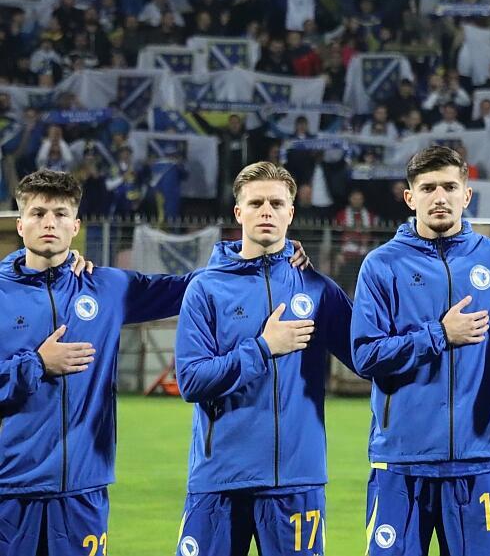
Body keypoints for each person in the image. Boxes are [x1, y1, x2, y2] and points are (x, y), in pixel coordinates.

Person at [0, 169, 308, 555]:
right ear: (20, 222)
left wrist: (275, 255)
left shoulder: (107, 286)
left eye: (61, 214)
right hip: (9, 488)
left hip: (83, 488)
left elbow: (198, 285)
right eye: (39, 213)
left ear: (76, 225)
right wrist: (37, 364)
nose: (50, 222)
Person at [351, 145, 490, 556]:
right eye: (428, 187)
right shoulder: (382, 265)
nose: (440, 197)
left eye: (450, 187)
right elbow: (364, 355)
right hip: (400, 460)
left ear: (466, 195)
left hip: (476, 461)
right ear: (409, 197)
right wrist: (438, 335)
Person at [174, 162, 352, 556]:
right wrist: (262, 348)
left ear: (291, 212)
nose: (266, 211)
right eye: (256, 203)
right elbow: (191, 381)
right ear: (239, 213)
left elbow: (371, 356)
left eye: (276, 202)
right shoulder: (205, 288)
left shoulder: (319, 289)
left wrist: (438, 332)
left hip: (296, 480)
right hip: (219, 478)